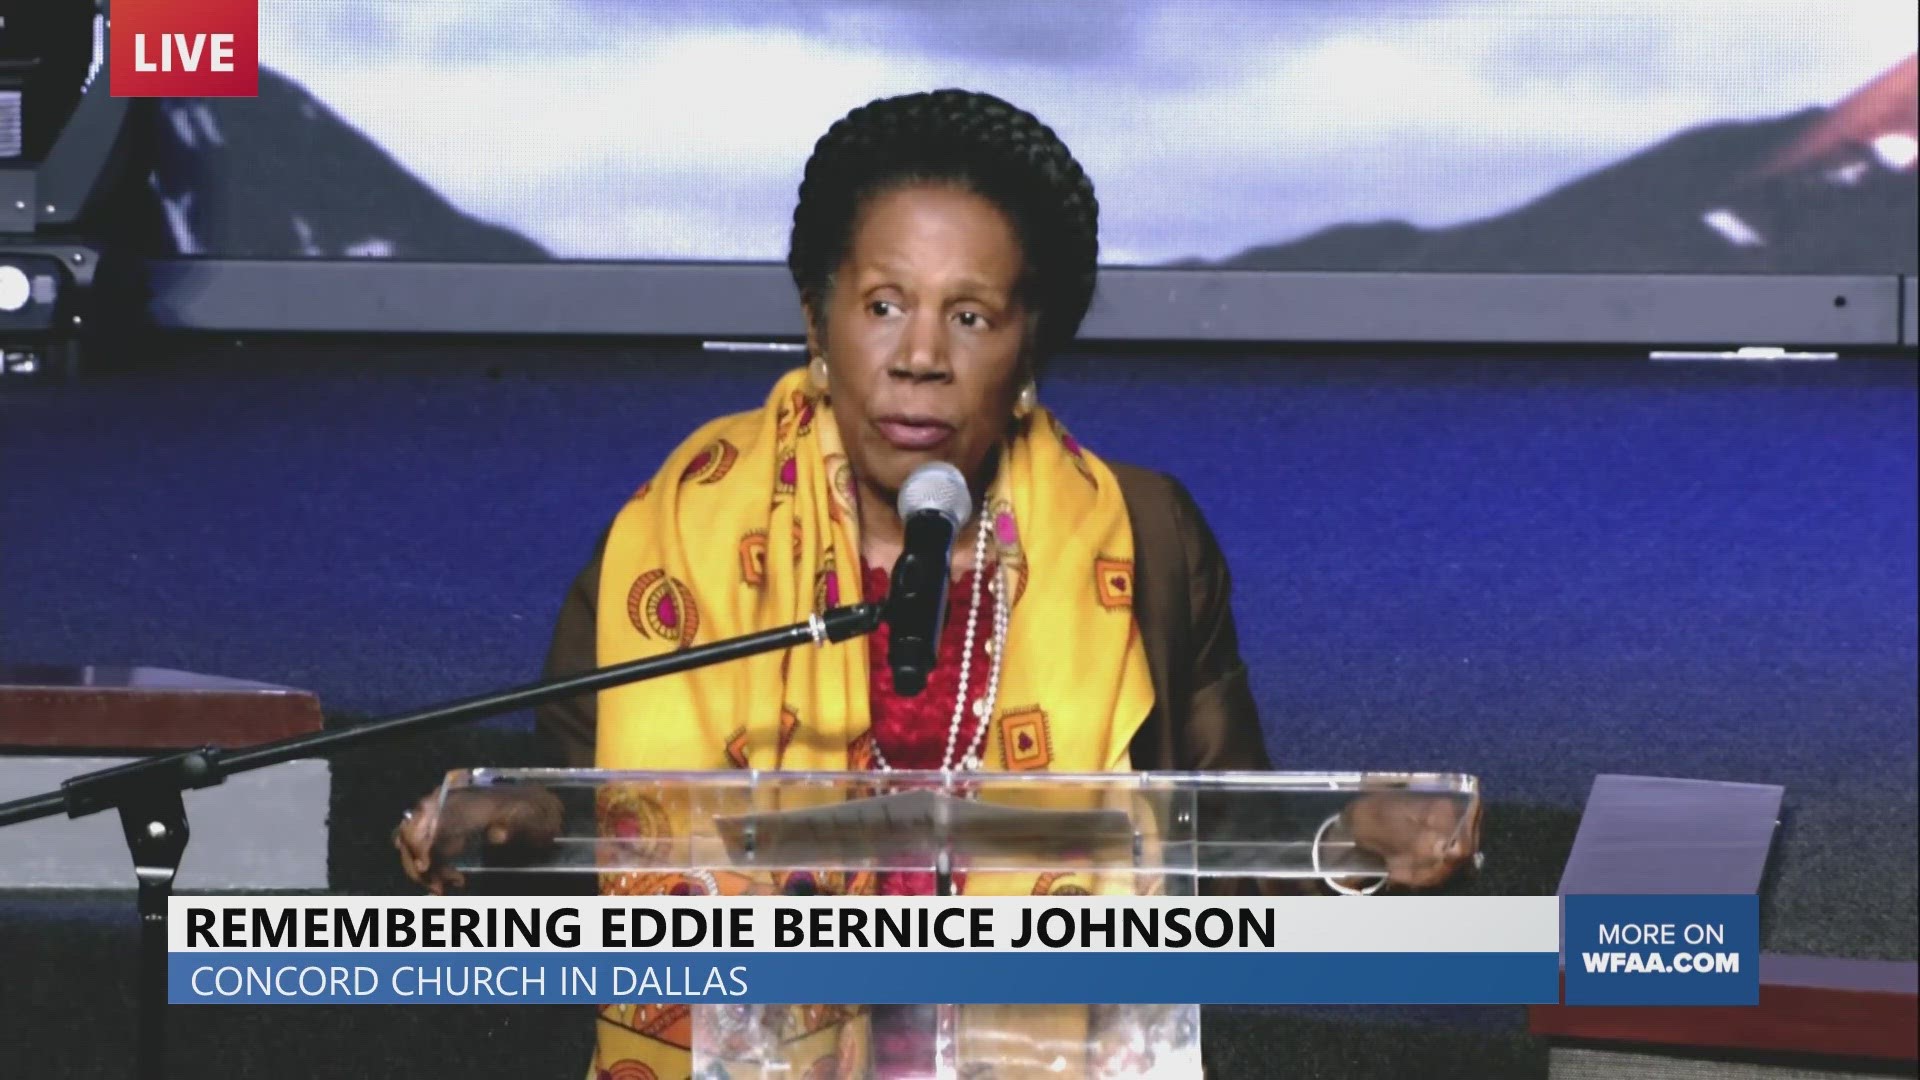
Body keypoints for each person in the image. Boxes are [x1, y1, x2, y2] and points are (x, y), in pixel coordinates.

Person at [395, 88, 1478, 1079]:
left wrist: (1357, 833)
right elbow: (593, 820)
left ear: (1030, 344)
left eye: (970, 316)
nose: (920, 356)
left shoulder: (1142, 536)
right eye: (882, 305)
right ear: (816, 321)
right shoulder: (678, 532)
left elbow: (1222, 842)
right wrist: (507, 824)